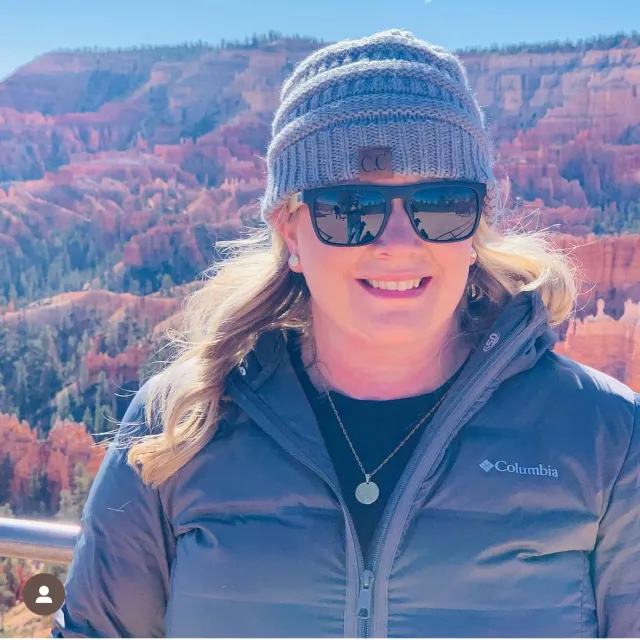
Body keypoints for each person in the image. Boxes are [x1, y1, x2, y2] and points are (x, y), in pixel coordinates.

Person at [51, 29, 639, 638]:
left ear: (476, 225)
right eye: (351, 209)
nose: (399, 243)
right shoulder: (179, 425)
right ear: (289, 229)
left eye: (441, 205)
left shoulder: (610, 439)